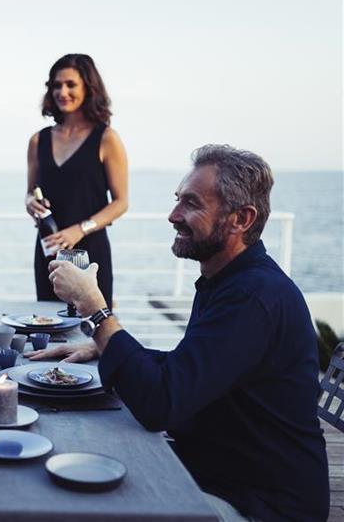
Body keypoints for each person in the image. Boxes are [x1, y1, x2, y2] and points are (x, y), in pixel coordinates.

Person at [32, 145, 329, 521]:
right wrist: (105, 345)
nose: (173, 215)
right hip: (214, 475)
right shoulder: (229, 281)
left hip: (259, 506)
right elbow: (194, 371)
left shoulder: (252, 297)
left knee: (79, 505)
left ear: (241, 218)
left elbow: (160, 404)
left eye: (191, 203)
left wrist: (95, 308)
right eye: (177, 200)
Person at [25, 53, 128, 307]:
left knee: (93, 324)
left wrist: (80, 229)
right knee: (48, 323)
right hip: (49, 251)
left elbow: (120, 203)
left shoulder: (107, 138)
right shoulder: (39, 140)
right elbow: (31, 192)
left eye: (71, 84)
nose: (62, 92)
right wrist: (30, 202)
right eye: (57, 85)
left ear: (88, 88)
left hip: (90, 253)